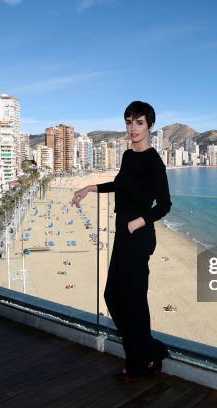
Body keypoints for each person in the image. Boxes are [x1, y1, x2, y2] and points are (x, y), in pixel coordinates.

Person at [70, 100, 171, 383]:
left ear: (150, 126)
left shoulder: (154, 161)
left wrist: (139, 221)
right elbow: (120, 183)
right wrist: (91, 187)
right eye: (129, 122)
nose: (133, 128)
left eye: (139, 122)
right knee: (113, 296)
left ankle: (138, 364)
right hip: (123, 235)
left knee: (135, 300)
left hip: (139, 237)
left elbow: (164, 204)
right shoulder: (128, 157)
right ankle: (150, 351)